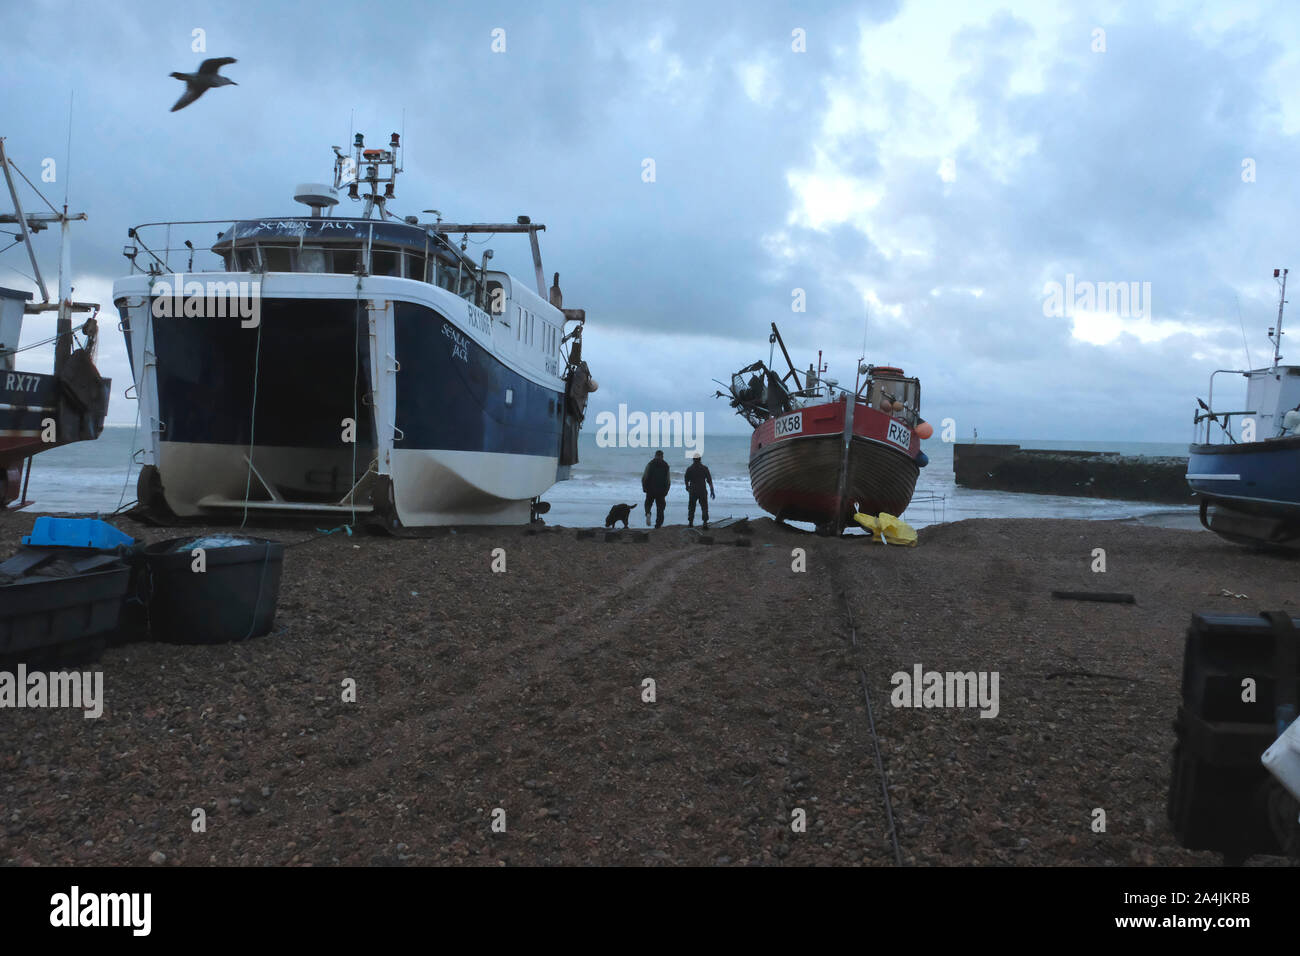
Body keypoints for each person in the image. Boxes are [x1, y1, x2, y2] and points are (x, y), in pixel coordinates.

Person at [684, 451, 715, 529]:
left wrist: (687, 487)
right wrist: (712, 490)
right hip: (702, 490)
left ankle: (690, 523)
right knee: (704, 507)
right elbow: (709, 480)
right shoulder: (704, 468)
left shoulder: (690, 469)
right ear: (700, 459)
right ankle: (705, 523)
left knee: (691, 507)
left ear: (693, 459)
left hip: (693, 490)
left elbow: (686, 479)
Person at [641, 450, 671, 528]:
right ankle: (658, 525)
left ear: (655, 455)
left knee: (648, 504)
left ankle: (648, 513)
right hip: (661, 491)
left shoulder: (650, 464)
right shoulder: (666, 465)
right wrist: (666, 490)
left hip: (650, 489)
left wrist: (644, 487)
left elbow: (645, 477)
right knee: (660, 508)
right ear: (662, 456)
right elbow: (668, 480)